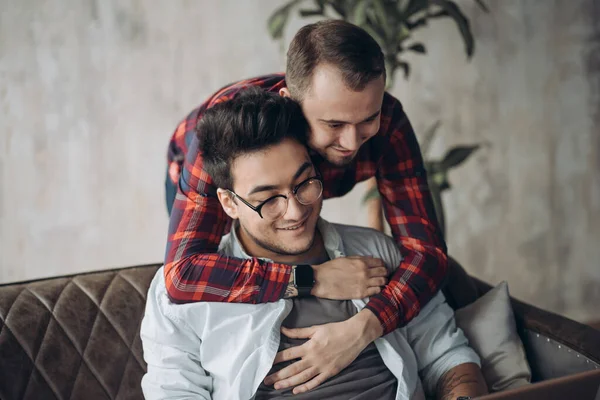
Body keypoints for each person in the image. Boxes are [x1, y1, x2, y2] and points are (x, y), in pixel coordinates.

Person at [144, 89, 487, 399]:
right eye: (268, 199)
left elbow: (447, 355)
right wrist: (313, 279)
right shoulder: (181, 295)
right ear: (229, 203)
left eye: (304, 182)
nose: (295, 210)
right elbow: (174, 393)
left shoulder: (378, 252)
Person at [164, 19, 448, 392]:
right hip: (205, 174)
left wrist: (366, 326)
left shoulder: (387, 120)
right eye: (333, 123)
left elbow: (428, 252)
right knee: (221, 305)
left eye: (367, 120)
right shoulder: (225, 141)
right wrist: (312, 279)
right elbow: (183, 275)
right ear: (291, 104)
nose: (351, 142)